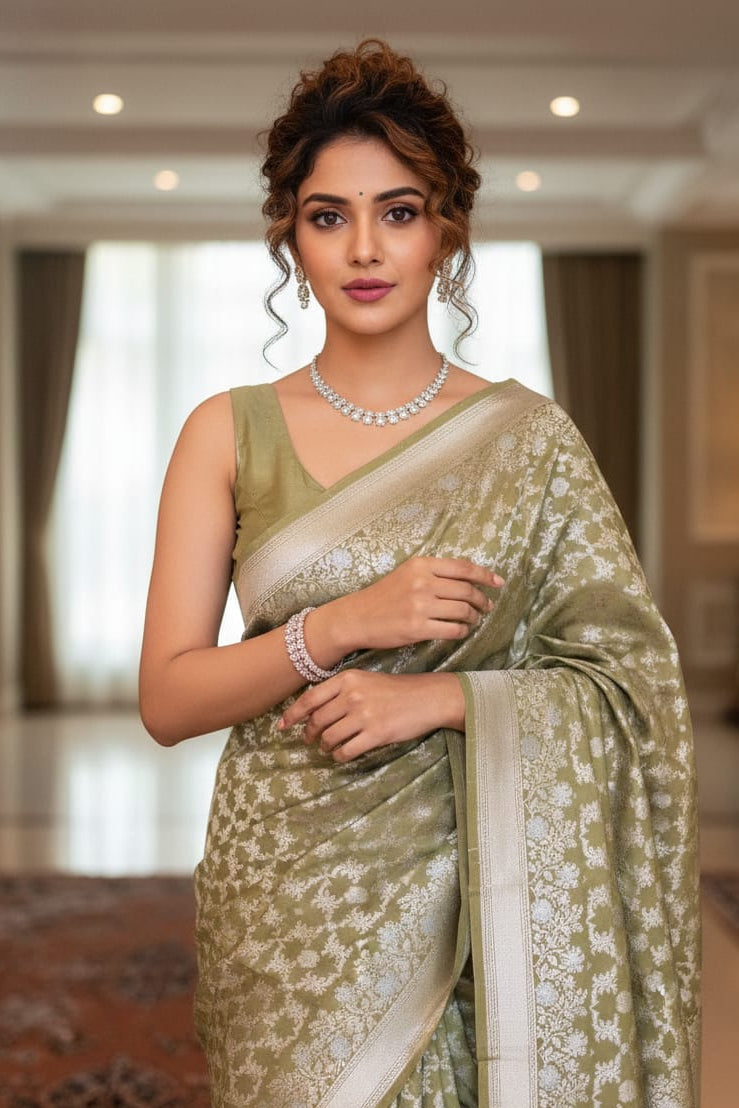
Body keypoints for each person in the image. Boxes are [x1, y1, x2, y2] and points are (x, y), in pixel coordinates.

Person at [139, 39, 700, 1108]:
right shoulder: (224, 432)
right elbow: (167, 698)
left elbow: (634, 685)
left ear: (447, 230)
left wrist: (441, 696)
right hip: (286, 892)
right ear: (288, 236)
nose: (363, 247)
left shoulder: (529, 440)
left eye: (398, 211)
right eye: (326, 214)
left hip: (477, 887)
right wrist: (339, 624)